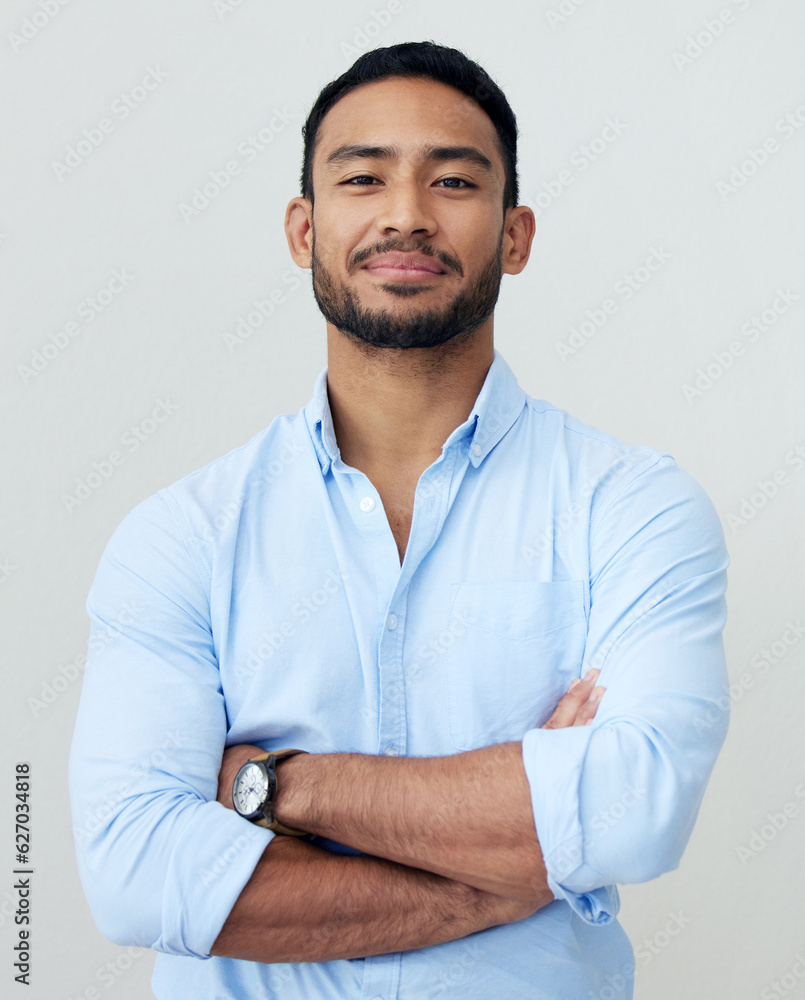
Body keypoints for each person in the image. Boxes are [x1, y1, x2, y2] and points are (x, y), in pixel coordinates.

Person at [68, 41, 730, 999]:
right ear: (303, 230)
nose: (406, 214)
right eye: (363, 177)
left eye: (454, 180)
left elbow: (635, 813)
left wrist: (278, 786)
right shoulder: (181, 537)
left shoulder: (628, 507)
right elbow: (137, 878)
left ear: (515, 234)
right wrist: (512, 871)